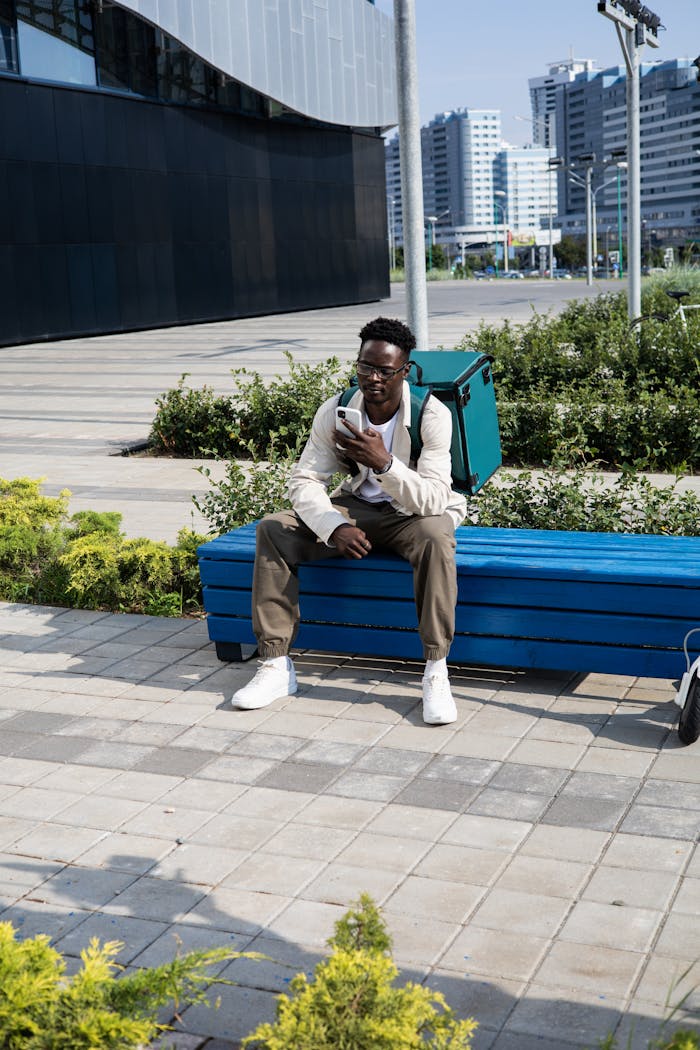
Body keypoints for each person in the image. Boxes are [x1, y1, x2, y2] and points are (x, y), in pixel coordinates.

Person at [231, 316, 467, 725]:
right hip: (356, 507)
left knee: (436, 536)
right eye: (364, 367)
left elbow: (432, 500)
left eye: (384, 370)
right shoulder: (338, 408)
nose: (372, 378)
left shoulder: (432, 413)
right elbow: (305, 478)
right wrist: (333, 526)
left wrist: (385, 463)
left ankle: (435, 670)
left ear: (404, 371)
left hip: (412, 515)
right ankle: (274, 666)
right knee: (273, 529)